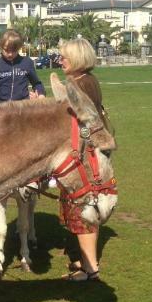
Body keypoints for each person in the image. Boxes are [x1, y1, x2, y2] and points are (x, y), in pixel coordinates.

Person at [57, 38, 110, 282]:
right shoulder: (82, 80)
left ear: (77, 59)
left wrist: (82, 150)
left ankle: (90, 269)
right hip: (87, 150)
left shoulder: (83, 84)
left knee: (84, 208)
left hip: (86, 153)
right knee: (80, 207)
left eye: (64, 57)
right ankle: (84, 260)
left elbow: (85, 123)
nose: (60, 60)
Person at [0, 29, 45, 103]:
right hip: (1, 108)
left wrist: (40, 95)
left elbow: (37, 84)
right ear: (1, 47)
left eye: (14, 50)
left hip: (23, 107)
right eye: (7, 50)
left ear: (19, 48)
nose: (10, 54)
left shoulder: (27, 63)